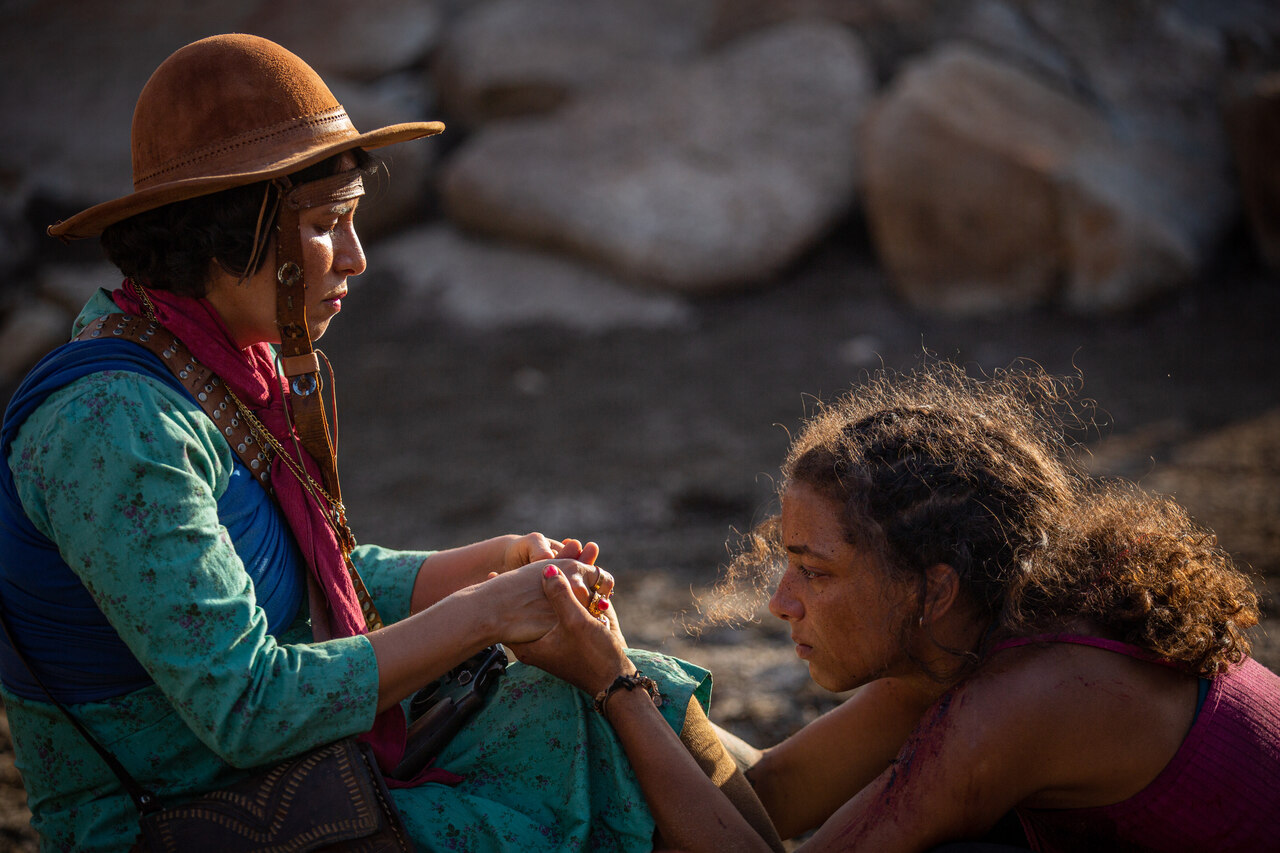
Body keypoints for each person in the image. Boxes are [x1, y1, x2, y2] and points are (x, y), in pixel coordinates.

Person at [0, 34, 781, 853]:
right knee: (602, 732)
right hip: (180, 813)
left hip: (268, 769)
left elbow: (285, 582)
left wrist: (494, 563)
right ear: (227, 232)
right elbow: (247, 705)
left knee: (629, 688)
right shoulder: (117, 425)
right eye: (326, 226)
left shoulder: (206, 365)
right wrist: (485, 614)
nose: (356, 258)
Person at [515, 362, 1280, 852]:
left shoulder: (1022, 703)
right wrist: (630, 668)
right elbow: (776, 795)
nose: (781, 603)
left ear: (934, 587)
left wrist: (618, 688)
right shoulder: (965, 640)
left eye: (815, 572)